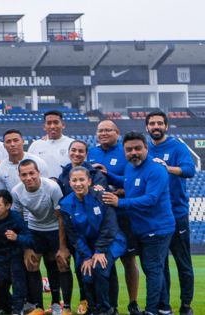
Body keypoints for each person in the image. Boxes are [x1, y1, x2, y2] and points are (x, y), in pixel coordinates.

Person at [102, 131, 176, 315]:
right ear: (124, 152)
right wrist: (107, 174)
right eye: (129, 150)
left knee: (152, 269)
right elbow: (127, 182)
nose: (133, 152)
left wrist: (120, 202)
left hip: (157, 229)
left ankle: (151, 310)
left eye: (137, 148)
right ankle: (164, 308)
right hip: (142, 229)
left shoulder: (156, 170)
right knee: (154, 269)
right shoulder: (131, 167)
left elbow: (150, 199)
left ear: (146, 148)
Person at [145, 111, 196, 315]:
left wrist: (167, 168)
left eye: (159, 123)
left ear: (166, 126)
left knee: (183, 262)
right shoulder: (145, 149)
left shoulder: (177, 146)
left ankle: (186, 305)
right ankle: (163, 305)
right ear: (147, 127)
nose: (155, 126)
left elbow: (190, 170)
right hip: (154, 216)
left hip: (176, 213)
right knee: (159, 265)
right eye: (152, 123)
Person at [88, 120, 140, 315]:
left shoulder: (126, 151)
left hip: (124, 214)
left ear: (117, 132)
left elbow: (134, 181)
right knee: (104, 262)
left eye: (108, 130)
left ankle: (133, 302)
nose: (103, 133)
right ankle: (109, 305)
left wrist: (119, 192)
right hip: (101, 217)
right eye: (100, 130)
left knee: (128, 260)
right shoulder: (92, 153)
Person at [59, 166, 126, 315]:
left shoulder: (101, 196)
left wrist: (100, 250)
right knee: (85, 271)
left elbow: (109, 226)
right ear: (70, 182)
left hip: (111, 240)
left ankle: (106, 309)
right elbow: (73, 235)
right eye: (74, 180)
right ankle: (93, 308)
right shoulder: (66, 204)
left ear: (89, 181)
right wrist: (87, 256)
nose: (78, 183)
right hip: (86, 246)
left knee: (100, 268)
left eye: (81, 179)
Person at [11, 159, 71, 315]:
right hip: (34, 229)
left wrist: (63, 247)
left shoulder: (52, 187)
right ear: (19, 176)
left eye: (32, 173)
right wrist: (26, 247)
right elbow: (19, 220)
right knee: (31, 263)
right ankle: (38, 307)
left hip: (54, 229)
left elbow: (61, 217)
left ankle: (58, 304)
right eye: (24, 174)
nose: (28, 177)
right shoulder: (16, 191)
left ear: (38, 172)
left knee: (59, 262)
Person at [28, 110, 74, 178]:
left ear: (63, 125)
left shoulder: (72, 144)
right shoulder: (35, 146)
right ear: (44, 127)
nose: (52, 126)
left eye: (56, 122)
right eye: (49, 123)